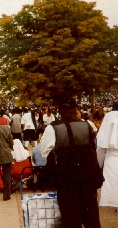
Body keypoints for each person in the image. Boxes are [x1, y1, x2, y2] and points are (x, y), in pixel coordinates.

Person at [40, 98, 103, 228]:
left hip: (66, 179)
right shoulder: (88, 125)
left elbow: (46, 153)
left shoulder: (52, 128)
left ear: (59, 111)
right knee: (91, 215)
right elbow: (95, 148)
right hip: (87, 177)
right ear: (75, 110)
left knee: (70, 216)